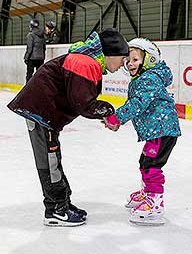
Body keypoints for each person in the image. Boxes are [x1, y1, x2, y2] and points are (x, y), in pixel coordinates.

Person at [7, 28, 129, 227]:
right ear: (111, 54)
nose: (122, 64)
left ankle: (62, 203)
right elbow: (82, 103)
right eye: (122, 59)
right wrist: (107, 110)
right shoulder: (85, 62)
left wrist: (101, 111)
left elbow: (80, 100)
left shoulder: (88, 61)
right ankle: (55, 209)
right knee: (50, 161)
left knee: (53, 158)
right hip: (40, 112)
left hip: (45, 113)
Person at [104, 37, 181, 225]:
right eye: (128, 60)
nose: (130, 64)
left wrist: (117, 118)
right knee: (145, 161)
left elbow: (137, 104)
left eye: (135, 59)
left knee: (152, 165)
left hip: (162, 131)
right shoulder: (144, 78)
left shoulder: (149, 79)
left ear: (149, 60)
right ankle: (147, 193)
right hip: (156, 131)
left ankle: (155, 204)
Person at [24, 18, 46, 83]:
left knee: (29, 75)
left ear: (31, 26)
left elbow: (29, 48)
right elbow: (44, 47)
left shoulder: (30, 35)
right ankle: (39, 89)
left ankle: (28, 90)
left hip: (32, 58)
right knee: (39, 75)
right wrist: (43, 57)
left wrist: (26, 58)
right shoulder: (42, 35)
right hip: (40, 58)